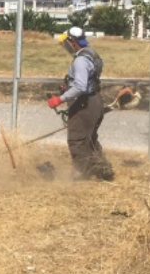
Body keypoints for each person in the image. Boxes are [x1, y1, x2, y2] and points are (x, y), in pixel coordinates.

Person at [47, 26, 114, 181]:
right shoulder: (90, 54)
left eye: (66, 43)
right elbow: (86, 81)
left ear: (73, 42)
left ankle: (81, 174)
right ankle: (103, 169)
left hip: (85, 103)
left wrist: (59, 99)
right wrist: (67, 87)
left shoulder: (80, 61)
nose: (65, 47)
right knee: (90, 139)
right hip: (94, 99)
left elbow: (80, 87)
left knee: (77, 139)